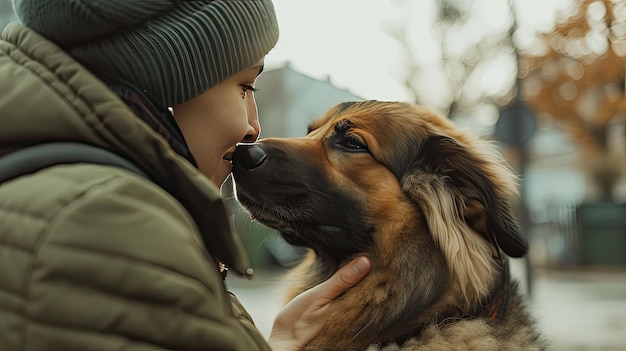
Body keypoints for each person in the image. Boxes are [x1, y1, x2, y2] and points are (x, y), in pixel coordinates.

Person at [0, 1, 371, 350]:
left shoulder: (55, 187)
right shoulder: (112, 222)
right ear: (167, 81)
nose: (253, 127)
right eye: (245, 87)